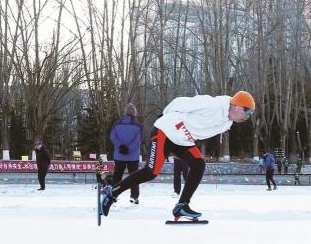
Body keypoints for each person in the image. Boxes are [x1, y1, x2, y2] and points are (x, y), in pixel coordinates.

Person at [101, 91, 255, 219]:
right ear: (236, 105)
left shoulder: (227, 123)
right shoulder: (213, 104)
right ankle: (112, 192)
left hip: (182, 139)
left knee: (198, 164)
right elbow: (180, 102)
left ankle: (182, 205)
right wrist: (165, 115)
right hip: (165, 130)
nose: (247, 116)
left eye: (251, 113)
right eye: (247, 111)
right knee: (151, 171)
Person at [109, 103, 143, 204]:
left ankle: (114, 194)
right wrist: (129, 149)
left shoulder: (116, 124)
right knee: (134, 177)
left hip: (119, 156)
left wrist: (120, 146)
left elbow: (112, 137)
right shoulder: (139, 126)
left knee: (117, 176)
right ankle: (134, 196)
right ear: (134, 113)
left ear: (125, 112)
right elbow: (138, 141)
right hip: (133, 157)